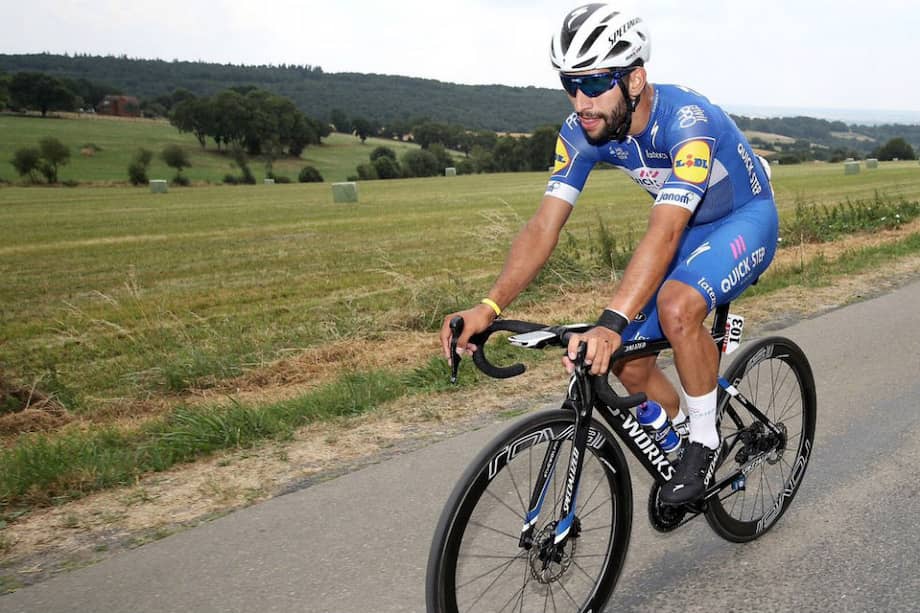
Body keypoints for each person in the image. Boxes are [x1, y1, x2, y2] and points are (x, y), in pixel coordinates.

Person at [439, 3, 777, 505]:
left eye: (595, 83)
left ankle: (705, 442)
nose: (582, 101)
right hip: (688, 231)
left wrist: (610, 322)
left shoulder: (687, 122)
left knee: (676, 306)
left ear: (635, 79)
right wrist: (488, 307)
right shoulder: (583, 130)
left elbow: (664, 232)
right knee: (627, 364)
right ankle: (682, 433)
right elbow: (543, 226)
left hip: (744, 220)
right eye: (570, 84)